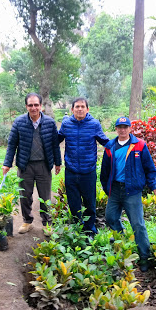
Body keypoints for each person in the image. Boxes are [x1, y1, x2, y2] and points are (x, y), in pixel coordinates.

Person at [100, 116, 156, 272]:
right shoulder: (109, 147)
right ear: (116, 129)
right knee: (111, 217)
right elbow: (104, 171)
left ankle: (144, 258)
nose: (122, 129)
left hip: (132, 191)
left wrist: (153, 185)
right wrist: (107, 189)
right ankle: (123, 242)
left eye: (125, 126)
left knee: (138, 224)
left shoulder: (139, 145)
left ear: (130, 128)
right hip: (115, 189)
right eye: (119, 127)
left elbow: (149, 167)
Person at [3, 93, 62, 234]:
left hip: (44, 165)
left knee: (45, 196)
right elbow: (12, 144)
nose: (34, 108)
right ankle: (27, 221)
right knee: (25, 195)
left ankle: (47, 224)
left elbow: (55, 145)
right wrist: (7, 163)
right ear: (26, 106)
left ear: (41, 106)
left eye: (36, 105)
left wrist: (58, 163)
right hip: (25, 166)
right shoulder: (19, 122)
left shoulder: (49, 122)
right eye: (30, 105)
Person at [59, 98, 109, 236]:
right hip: (71, 170)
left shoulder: (94, 124)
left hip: (88, 171)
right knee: (74, 203)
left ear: (88, 109)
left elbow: (105, 141)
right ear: (72, 109)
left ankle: (90, 229)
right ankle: (77, 228)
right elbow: (56, 140)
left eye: (82, 106)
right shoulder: (66, 124)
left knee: (89, 203)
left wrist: (122, 147)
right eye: (77, 107)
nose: (79, 109)